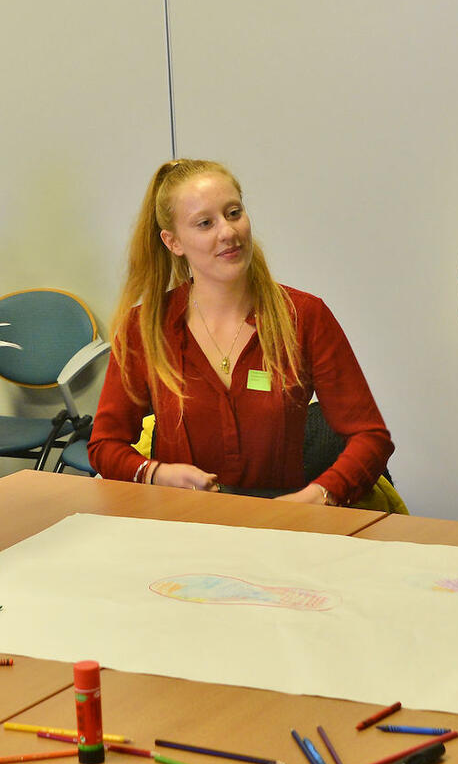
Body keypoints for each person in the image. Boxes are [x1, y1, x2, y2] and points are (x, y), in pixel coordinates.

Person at [88, 158, 392, 505]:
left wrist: (318, 496)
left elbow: (371, 438)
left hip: (281, 525)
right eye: (205, 223)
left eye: (234, 213)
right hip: (183, 527)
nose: (228, 232)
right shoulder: (145, 327)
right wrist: (156, 474)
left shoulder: (304, 316)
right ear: (174, 242)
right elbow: (104, 445)